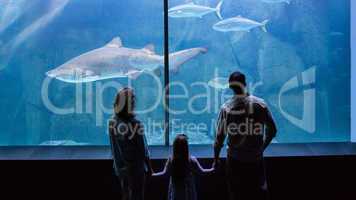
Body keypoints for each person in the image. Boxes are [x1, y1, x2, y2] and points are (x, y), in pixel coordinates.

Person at [214, 71, 277, 200]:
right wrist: (262, 147)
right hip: (256, 158)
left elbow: (219, 138)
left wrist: (215, 158)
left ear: (230, 86)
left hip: (235, 160)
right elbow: (273, 130)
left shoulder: (226, 108)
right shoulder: (260, 105)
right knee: (259, 193)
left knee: (236, 193)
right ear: (245, 84)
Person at [108, 87, 153, 200]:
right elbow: (143, 150)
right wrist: (150, 168)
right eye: (132, 101)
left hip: (120, 168)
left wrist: (119, 166)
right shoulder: (136, 124)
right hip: (136, 168)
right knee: (137, 195)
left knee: (126, 194)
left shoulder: (112, 123)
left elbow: (113, 147)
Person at [153, 134, 215, 200]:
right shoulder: (191, 161)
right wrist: (213, 169)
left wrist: (153, 174)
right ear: (186, 148)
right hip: (188, 192)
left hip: (176, 192)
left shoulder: (171, 161)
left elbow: (164, 173)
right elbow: (202, 171)